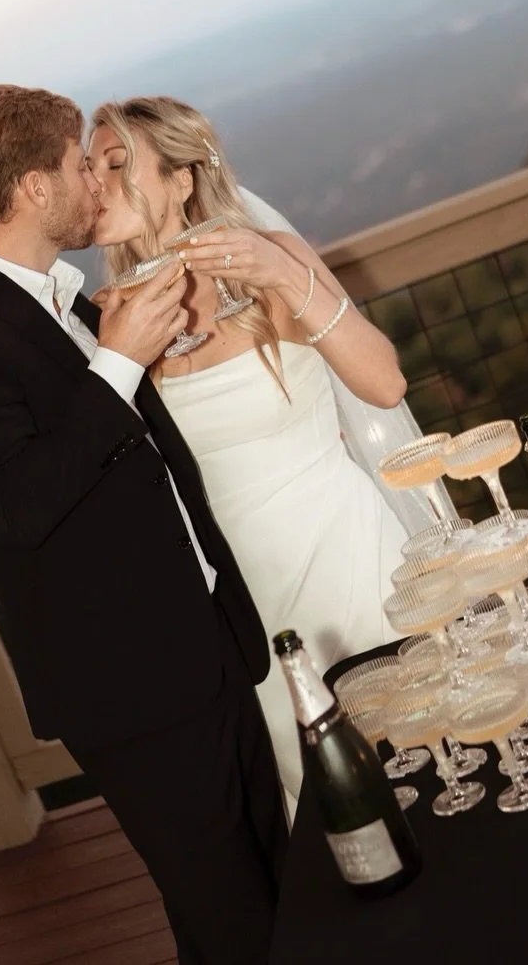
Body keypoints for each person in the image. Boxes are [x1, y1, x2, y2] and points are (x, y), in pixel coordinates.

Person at [0, 85, 288, 965]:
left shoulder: (73, 307)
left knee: (272, 891)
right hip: (133, 690)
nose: (94, 181)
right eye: (81, 164)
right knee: (233, 920)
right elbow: (18, 504)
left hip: (209, 649)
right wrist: (117, 362)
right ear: (36, 188)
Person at [89, 96, 414, 812]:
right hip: (245, 610)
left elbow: (385, 384)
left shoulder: (272, 262)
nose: (96, 182)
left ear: (181, 179)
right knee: (333, 804)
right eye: (89, 167)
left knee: (426, 755)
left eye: (117, 164)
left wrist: (284, 276)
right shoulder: (109, 322)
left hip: (346, 562)